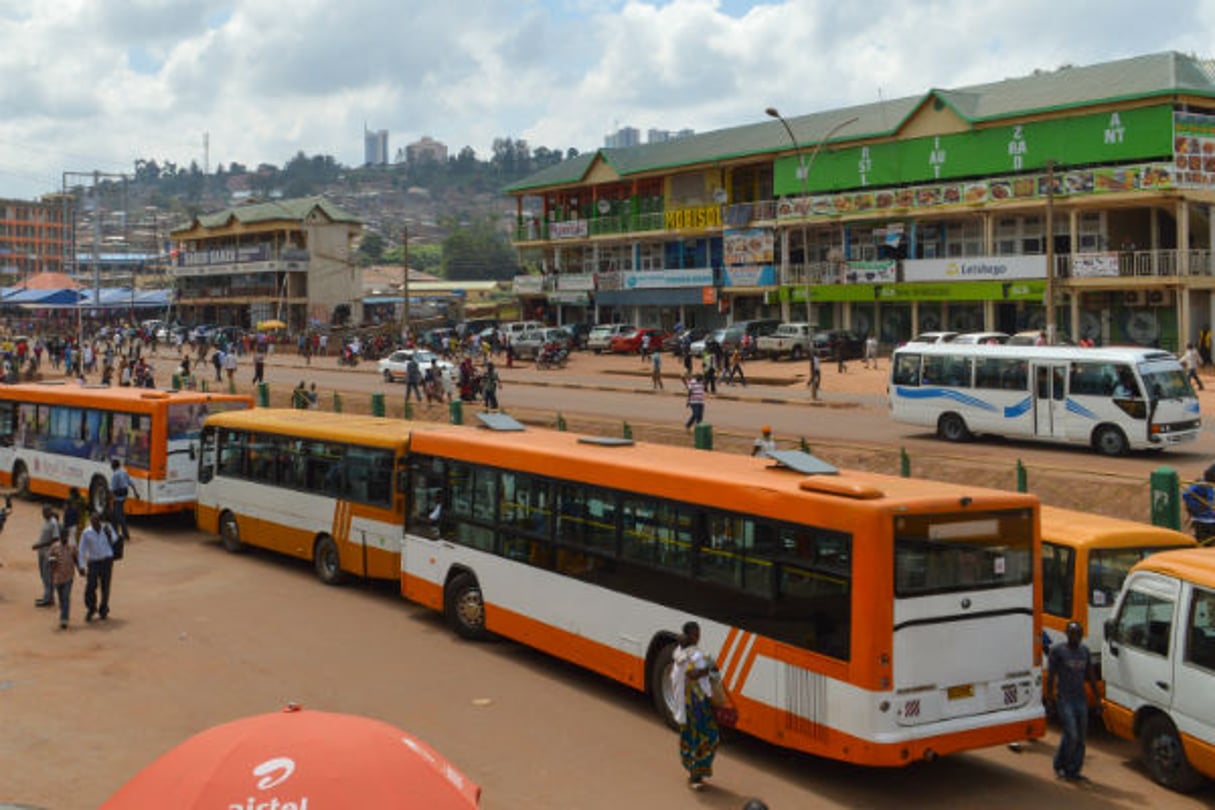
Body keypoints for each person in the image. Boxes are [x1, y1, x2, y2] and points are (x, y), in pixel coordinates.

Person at [1045, 621, 1101, 781]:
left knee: (1080, 737)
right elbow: (1051, 676)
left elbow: (1090, 676)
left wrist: (1097, 699)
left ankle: (1073, 770)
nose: (1074, 637)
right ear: (1066, 634)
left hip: (1080, 699)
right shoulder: (1058, 651)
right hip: (1064, 699)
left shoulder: (1085, 651)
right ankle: (1059, 764)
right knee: (1072, 734)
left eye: (1078, 634)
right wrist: (1049, 699)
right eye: (1071, 633)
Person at [670, 621, 720, 790]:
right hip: (694, 704)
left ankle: (695, 772)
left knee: (695, 737)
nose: (698, 636)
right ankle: (695, 776)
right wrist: (709, 668)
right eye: (695, 634)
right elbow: (693, 674)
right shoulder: (693, 655)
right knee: (703, 737)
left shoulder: (680, 652)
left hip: (692, 702)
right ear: (689, 636)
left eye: (698, 633)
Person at [76, 512, 115, 622]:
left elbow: (115, 542)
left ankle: (104, 609)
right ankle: (91, 608)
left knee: (105, 587)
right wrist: (81, 566)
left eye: (96, 521)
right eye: (92, 522)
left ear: (100, 521)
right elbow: (82, 550)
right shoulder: (86, 533)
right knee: (90, 586)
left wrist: (110, 535)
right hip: (93, 562)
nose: (94, 524)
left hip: (106, 561)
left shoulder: (107, 529)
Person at [47, 515, 78, 630]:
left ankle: (64, 619)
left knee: (66, 596)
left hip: (69, 576)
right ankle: (63, 609)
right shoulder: (54, 547)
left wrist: (80, 568)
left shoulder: (72, 547)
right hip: (57, 577)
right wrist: (52, 562)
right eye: (62, 536)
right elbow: (50, 559)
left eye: (66, 536)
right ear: (60, 536)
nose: (64, 538)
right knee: (61, 597)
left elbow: (76, 558)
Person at [31, 504, 61, 607]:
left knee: (47, 575)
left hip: (49, 552)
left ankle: (47, 599)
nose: (43, 514)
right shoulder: (46, 521)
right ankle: (48, 597)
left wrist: (40, 545)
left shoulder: (53, 523)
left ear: (50, 511)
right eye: (43, 512)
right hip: (41, 552)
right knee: (43, 575)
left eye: (45, 512)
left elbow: (56, 539)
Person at [1182, 464, 1215, 544]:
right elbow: (1186, 494)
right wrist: (1199, 506)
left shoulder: (1210, 486)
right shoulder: (1202, 485)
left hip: (1211, 519)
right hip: (1202, 520)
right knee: (1205, 542)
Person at [109, 458, 138, 542]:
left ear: (113, 466)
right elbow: (131, 482)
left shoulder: (115, 475)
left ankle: (124, 534)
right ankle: (117, 534)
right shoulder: (124, 471)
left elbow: (112, 489)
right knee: (115, 516)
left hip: (117, 497)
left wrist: (110, 501)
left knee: (118, 516)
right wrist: (136, 493)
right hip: (124, 496)